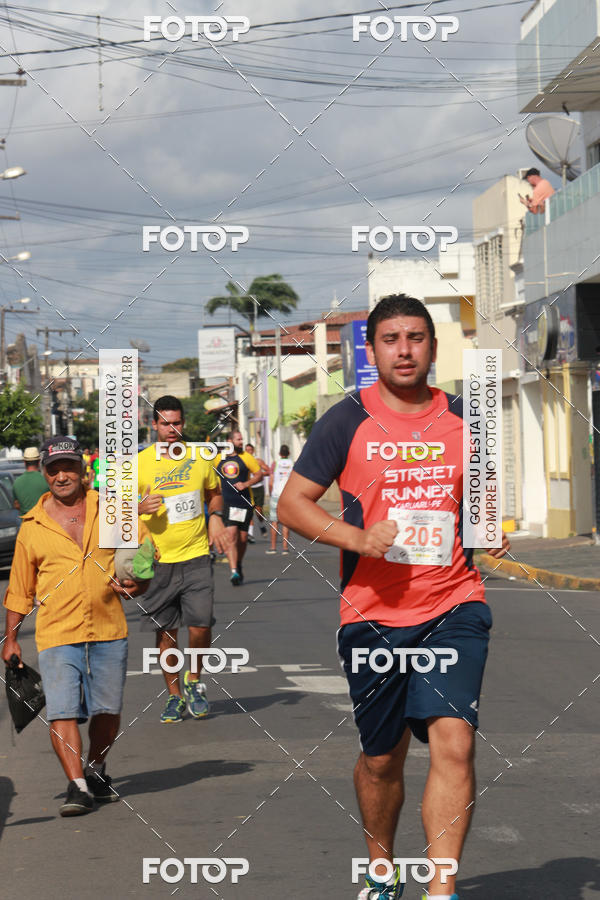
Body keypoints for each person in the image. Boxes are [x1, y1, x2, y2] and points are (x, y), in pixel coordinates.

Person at [278, 294, 510, 900]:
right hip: (373, 615)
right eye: (390, 339)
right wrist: (358, 536)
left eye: (415, 337)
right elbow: (292, 504)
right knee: (383, 759)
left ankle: (442, 890)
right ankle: (383, 868)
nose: (404, 350)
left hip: (455, 602)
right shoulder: (346, 419)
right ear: (372, 348)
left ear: (433, 345)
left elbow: (478, 506)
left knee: (454, 741)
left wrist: (491, 532)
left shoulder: (467, 419)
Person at [2, 436, 149, 817]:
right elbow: (19, 588)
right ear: (45, 473)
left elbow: (145, 556)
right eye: (54, 469)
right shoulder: (31, 526)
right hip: (56, 631)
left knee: (108, 709)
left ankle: (96, 767)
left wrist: (137, 583)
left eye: (68, 467)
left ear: (84, 470)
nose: (61, 475)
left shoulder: (112, 509)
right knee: (62, 710)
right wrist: (11, 638)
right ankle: (77, 785)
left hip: (107, 627)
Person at [137, 396, 230, 724]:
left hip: (196, 555)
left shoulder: (200, 457)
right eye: (165, 423)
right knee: (166, 632)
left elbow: (214, 492)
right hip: (160, 560)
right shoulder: (141, 462)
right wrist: (138, 508)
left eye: (177, 423)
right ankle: (174, 697)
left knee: (201, 623)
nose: (172, 429)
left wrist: (216, 515)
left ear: (184, 424)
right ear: (154, 425)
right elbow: (116, 511)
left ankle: (194, 681)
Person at [215, 430, 263, 585]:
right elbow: (208, 473)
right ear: (229, 440)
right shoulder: (218, 458)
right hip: (228, 502)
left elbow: (259, 474)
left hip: (245, 502)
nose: (241, 441)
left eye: (242, 438)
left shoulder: (246, 457)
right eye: (238, 439)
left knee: (242, 539)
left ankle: (239, 563)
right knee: (231, 536)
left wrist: (246, 484)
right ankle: (234, 571)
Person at [266, 444, 294, 555]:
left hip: (276, 494)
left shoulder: (275, 463)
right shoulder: (293, 464)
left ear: (279, 454)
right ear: (289, 453)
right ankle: (285, 548)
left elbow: (271, 481)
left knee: (274, 521)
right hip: (287, 495)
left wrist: (271, 491)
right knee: (286, 522)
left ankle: (273, 547)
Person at [244, 441, 270, 542]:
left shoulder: (258, 461)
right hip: (248, 488)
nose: (249, 452)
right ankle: (250, 534)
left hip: (258, 488)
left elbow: (268, 471)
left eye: (250, 450)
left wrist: (259, 475)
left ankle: (261, 524)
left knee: (259, 511)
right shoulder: (243, 461)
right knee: (249, 511)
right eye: (247, 450)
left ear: (253, 451)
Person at [12, 447, 48, 516]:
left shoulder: (17, 482)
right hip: (44, 521)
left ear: (24, 462)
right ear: (38, 461)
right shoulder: (46, 480)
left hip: (25, 523)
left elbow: (16, 505)